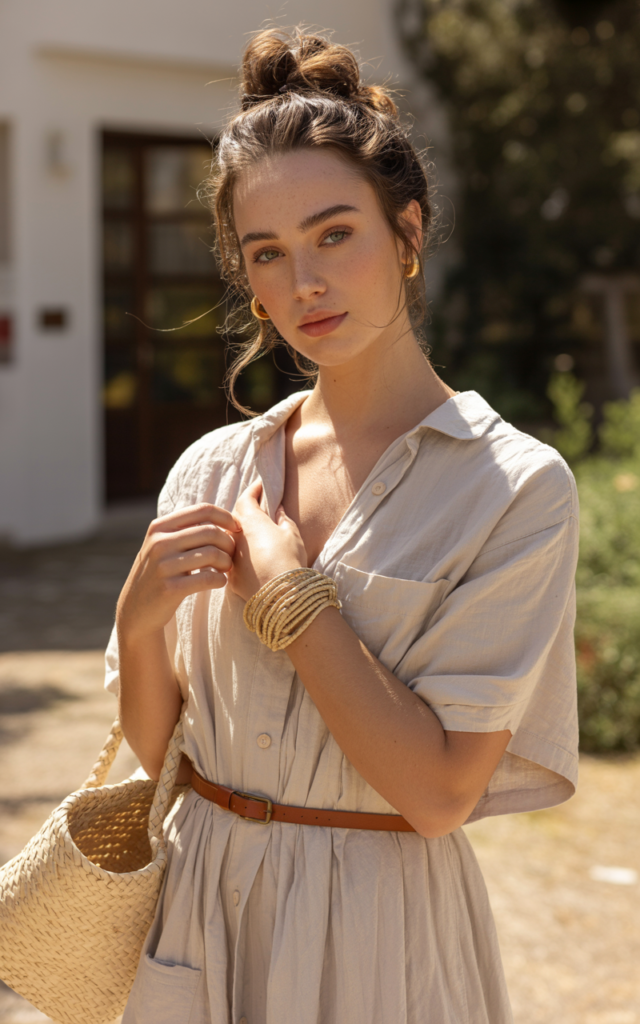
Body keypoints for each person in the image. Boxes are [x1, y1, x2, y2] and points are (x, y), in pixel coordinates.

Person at [106, 26, 579, 1024]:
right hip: (197, 916)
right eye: (267, 254)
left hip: (377, 938)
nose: (303, 284)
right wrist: (138, 619)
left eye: (334, 235)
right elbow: (159, 757)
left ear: (406, 234)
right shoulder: (212, 469)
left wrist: (291, 596)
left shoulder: (513, 489)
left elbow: (439, 795)